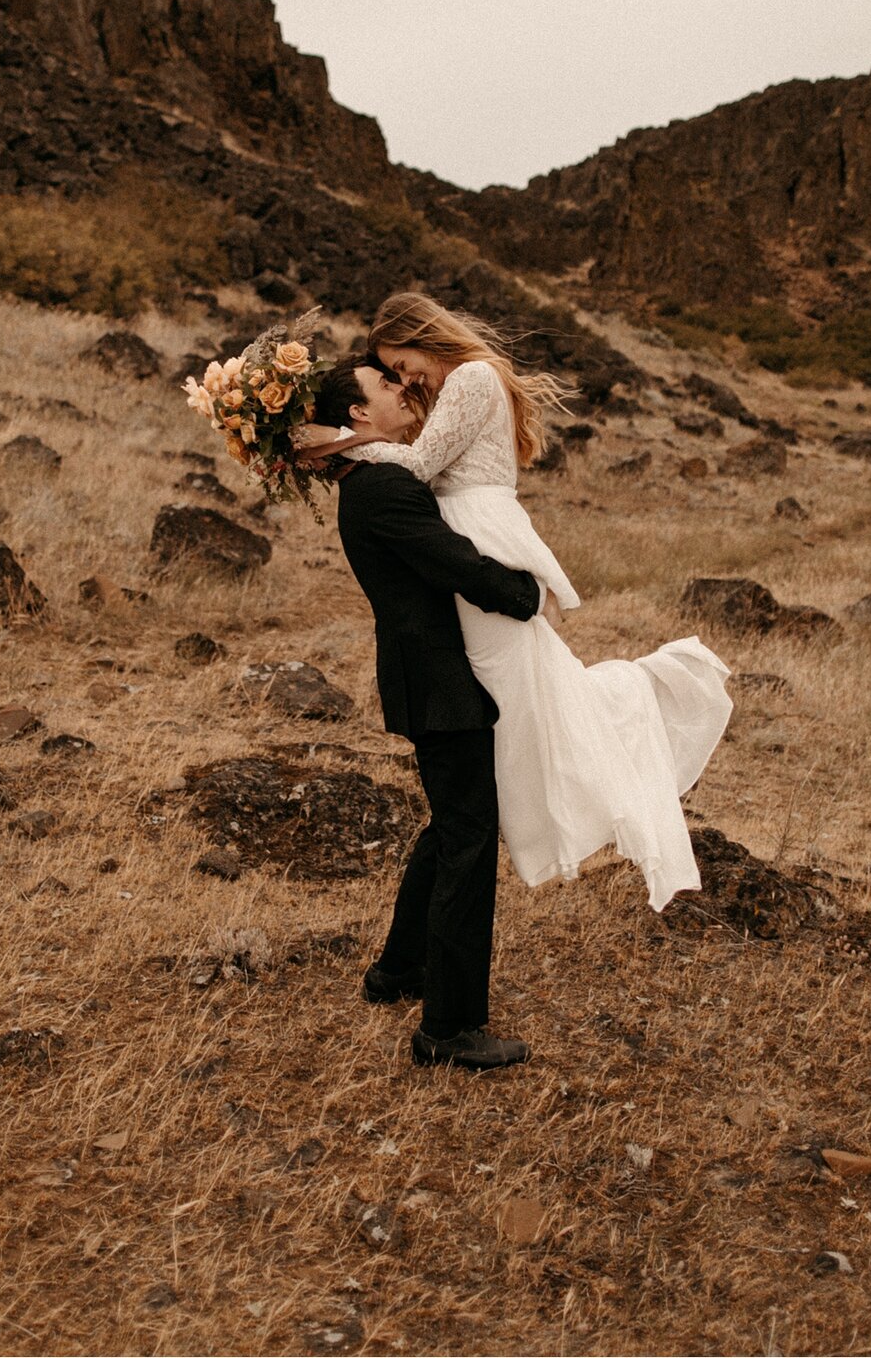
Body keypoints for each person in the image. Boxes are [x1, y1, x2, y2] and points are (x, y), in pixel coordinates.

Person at [293, 294, 733, 915]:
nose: (406, 379)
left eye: (404, 362)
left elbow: (417, 466)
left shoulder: (472, 377)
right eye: (391, 373)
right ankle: (485, 826)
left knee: (526, 700)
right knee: (513, 714)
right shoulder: (456, 388)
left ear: (425, 335)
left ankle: (599, 741)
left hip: (482, 537)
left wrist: (338, 443)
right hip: (471, 537)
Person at [306, 355, 546, 1071]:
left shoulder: (366, 477)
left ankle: (399, 970)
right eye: (384, 384)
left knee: (452, 826)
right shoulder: (381, 488)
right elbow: (455, 565)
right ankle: (449, 1027)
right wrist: (525, 594)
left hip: (427, 676)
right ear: (356, 414)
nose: (400, 389)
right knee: (469, 839)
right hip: (441, 682)